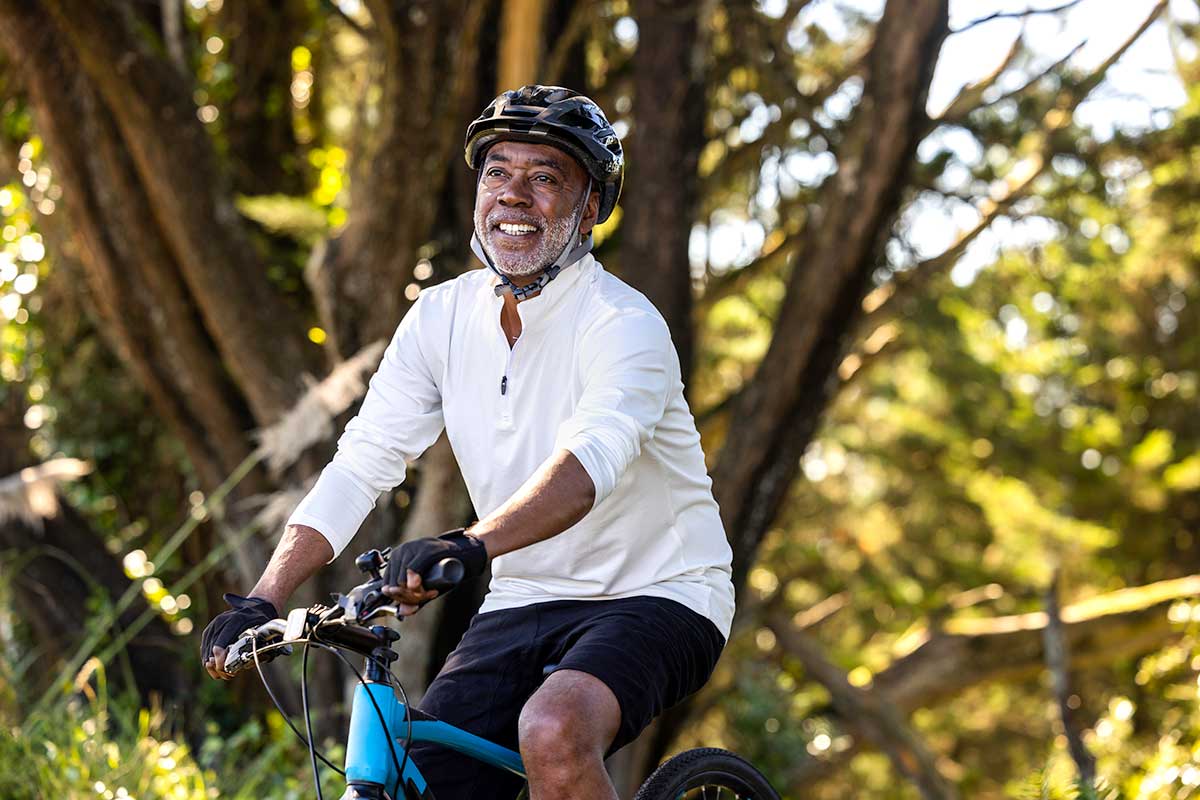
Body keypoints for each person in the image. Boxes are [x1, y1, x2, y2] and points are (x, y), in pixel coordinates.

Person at [201, 85, 734, 800]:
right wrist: (263, 599)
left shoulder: (622, 325)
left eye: (546, 178)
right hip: (524, 598)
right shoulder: (440, 318)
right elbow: (363, 462)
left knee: (552, 729)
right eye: (497, 173)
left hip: (661, 592)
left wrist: (469, 545)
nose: (514, 195)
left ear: (593, 208)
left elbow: (582, 472)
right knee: (421, 780)